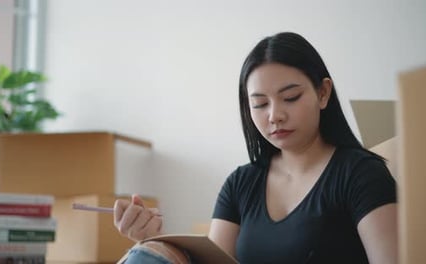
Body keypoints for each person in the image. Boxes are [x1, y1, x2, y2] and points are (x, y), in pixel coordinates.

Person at [113, 32, 398, 264]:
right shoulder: (241, 183)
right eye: (260, 103)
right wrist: (152, 241)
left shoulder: (362, 174)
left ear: (323, 93)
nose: (274, 115)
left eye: (290, 97)